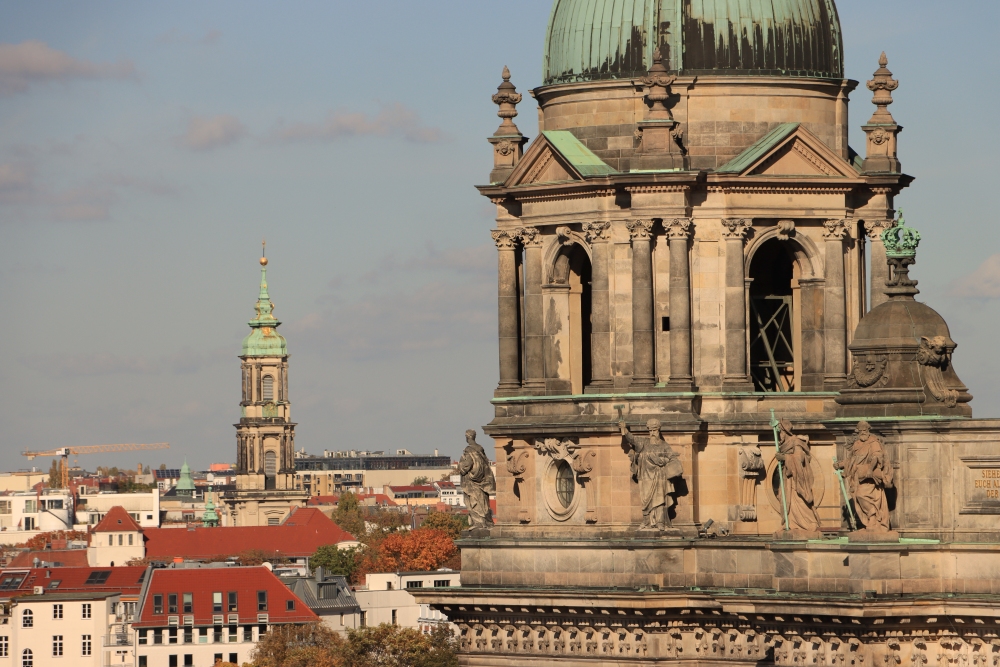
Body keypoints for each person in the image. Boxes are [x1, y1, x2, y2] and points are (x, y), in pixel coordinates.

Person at [619, 418, 683, 530]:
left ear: (659, 430)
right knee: (645, 500)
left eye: (654, 430)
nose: (652, 433)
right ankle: (646, 521)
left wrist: (663, 461)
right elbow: (632, 439)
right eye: (650, 430)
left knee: (660, 499)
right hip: (645, 477)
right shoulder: (644, 442)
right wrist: (624, 429)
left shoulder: (664, 445)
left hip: (659, 476)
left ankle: (660, 522)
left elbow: (673, 458)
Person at [836, 420, 894, 531]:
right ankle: (871, 519)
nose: (862, 432)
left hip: (871, 477)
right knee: (858, 496)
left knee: (861, 495)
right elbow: (851, 460)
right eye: (860, 431)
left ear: (868, 430)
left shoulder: (873, 442)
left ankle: (873, 516)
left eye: (864, 430)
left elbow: (877, 457)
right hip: (859, 476)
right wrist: (840, 465)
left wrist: (870, 469)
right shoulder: (857, 444)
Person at [775, 419, 821, 532]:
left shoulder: (795, 442)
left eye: (780, 431)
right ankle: (789, 523)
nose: (779, 434)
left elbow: (799, 457)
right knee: (785, 498)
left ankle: (808, 523)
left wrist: (784, 458)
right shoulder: (785, 444)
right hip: (787, 477)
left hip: (796, 478)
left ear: (785, 431)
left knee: (799, 500)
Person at [459, 429, 496, 529]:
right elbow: (485, 464)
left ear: (467, 437)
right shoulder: (480, 449)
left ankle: (478, 523)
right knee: (483, 502)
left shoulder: (468, 450)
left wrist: (461, 463)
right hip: (482, 481)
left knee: (474, 501)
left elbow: (466, 466)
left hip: (472, 482)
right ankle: (486, 522)